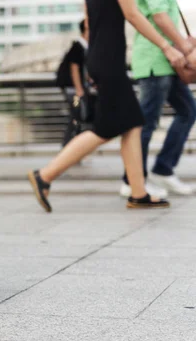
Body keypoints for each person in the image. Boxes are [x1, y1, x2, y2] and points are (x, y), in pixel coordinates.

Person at [28, 0, 187, 212]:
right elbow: (132, 14)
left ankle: (138, 193)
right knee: (105, 129)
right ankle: (45, 175)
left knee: (133, 123)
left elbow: (90, 22)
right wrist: (166, 47)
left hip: (101, 57)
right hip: (109, 60)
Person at [120, 0, 196, 197]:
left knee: (188, 111)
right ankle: (132, 180)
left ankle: (163, 169)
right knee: (145, 123)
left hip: (170, 61)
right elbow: (160, 17)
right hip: (155, 59)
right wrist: (187, 49)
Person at [56, 19, 90, 146]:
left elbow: (82, 69)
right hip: (72, 90)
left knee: (76, 116)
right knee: (76, 115)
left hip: (73, 89)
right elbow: (74, 68)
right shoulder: (78, 46)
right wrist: (79, 89)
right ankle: (68, 147)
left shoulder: (83, 46)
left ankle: (72, 148)